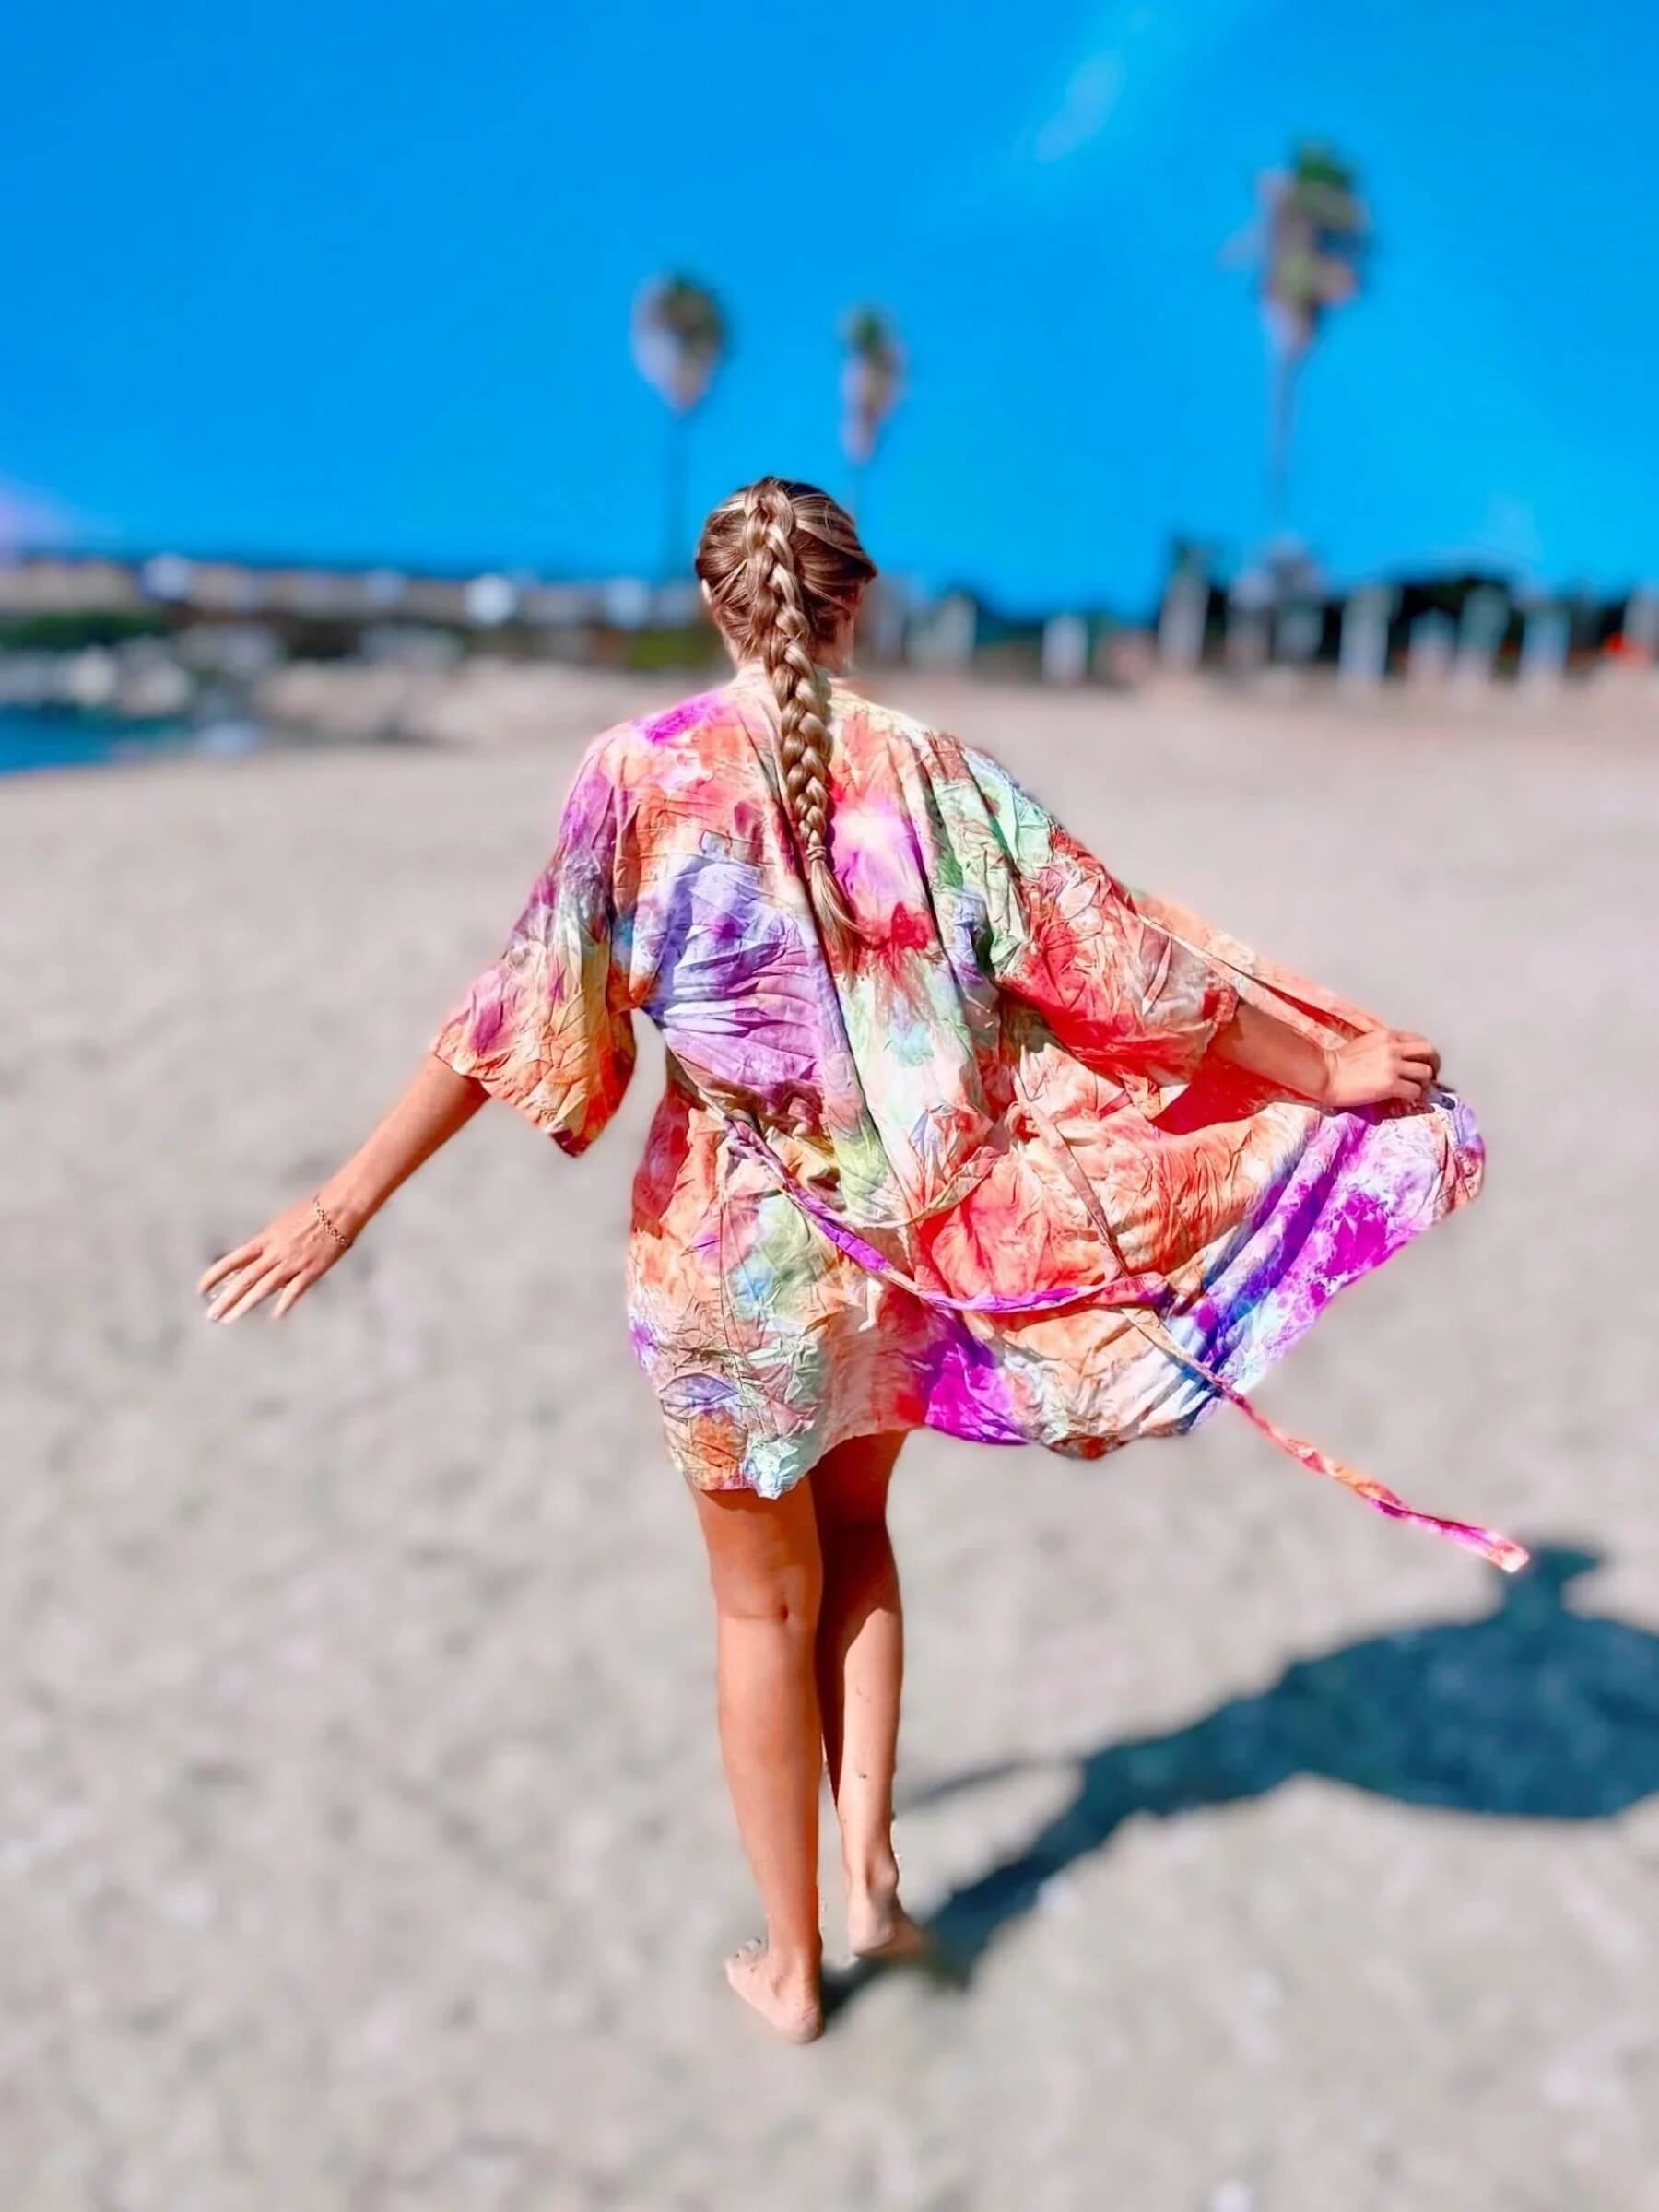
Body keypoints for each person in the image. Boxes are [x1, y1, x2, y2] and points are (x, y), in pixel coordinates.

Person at [198, 477, 1524, 2044]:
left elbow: (515, 1014)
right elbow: (1132, 970)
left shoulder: (638, 775)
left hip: (728, 1276)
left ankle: (787, 1961)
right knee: (863, 1539)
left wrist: (343, 1203)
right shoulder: (941, 776)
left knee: (762, 1610)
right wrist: (1326, 1072)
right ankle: (874, 1875)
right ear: (858, 599)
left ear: (717, 603)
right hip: (903, 1250)